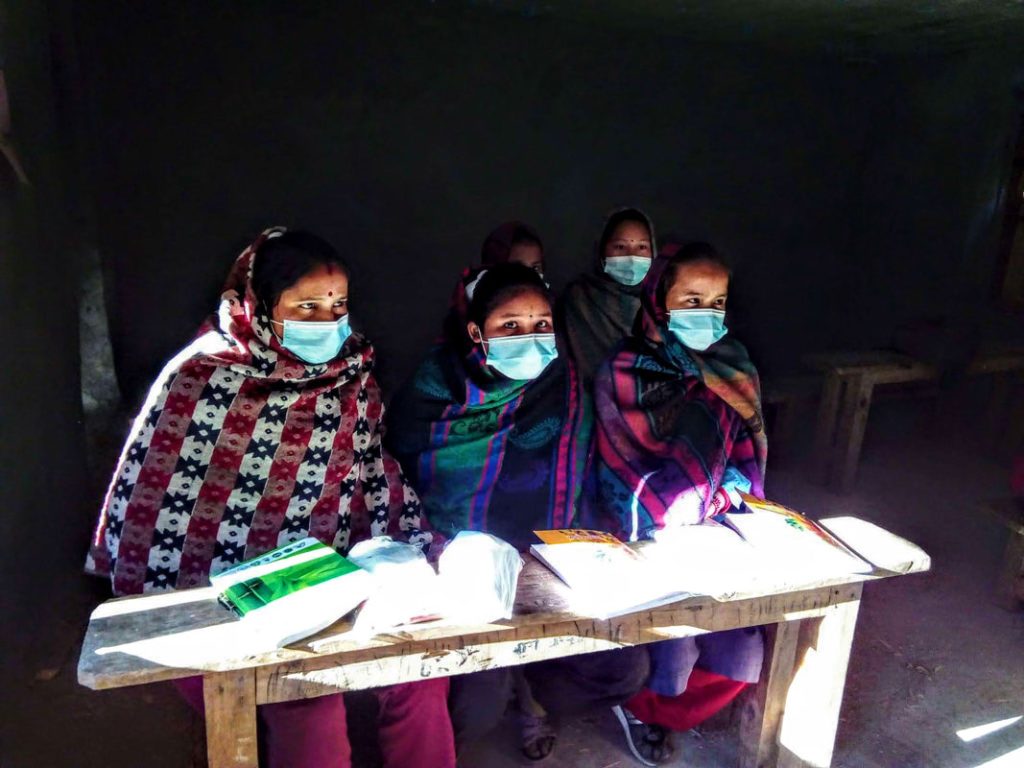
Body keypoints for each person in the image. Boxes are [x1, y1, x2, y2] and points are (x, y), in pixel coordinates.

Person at [85, 227, 455, 768]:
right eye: (306, 307)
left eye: (338, 305)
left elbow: (372, 477)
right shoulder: (202, 377)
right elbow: (159, 503)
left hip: (335, 575)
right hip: (226, 590)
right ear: (259, 306)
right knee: (307, 699)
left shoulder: (350, 374)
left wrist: (406, 557)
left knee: (422, 673)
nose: (328, 322)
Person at [387, 262, 647, 760]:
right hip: (460, 564)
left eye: (541, 325)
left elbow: (587, 472)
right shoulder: (434, 388)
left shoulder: (563, 383)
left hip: (549, 558)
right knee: (475, 710)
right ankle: (504, 689)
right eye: (510, 326)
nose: (530, 339)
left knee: (625, 670)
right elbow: (404, 483)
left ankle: (535, 693)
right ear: (474, 332)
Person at [585, 242, 767, 765]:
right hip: (640, 523)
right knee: (669, 632)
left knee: (739, 630)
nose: (706, 314)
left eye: (717, 302)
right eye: (691, 299)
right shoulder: (624, 368)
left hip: (720, 513)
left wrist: (728, 495)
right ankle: (644, 710)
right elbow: (625, 470)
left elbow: (745, 460)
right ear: (660, 299)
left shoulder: (734, 365)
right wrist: (694, 504)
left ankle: (683, 708)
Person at [559, 207, 656, 387]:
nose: (632, 257)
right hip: (587, 405)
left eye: (642, 247)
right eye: (620, 246)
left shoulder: (663, 301)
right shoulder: (578, 299)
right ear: (602, 250)